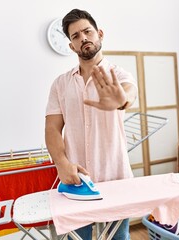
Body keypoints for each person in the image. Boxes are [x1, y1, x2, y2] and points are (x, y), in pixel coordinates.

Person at [45, 8, 137, 240]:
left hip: (116, 177)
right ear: (71, 47)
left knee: (118, 238)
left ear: (100, 34)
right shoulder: (60, 84)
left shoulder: (118, 75)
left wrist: (121, 100)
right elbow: (52, 128)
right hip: (76, 182)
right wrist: (61, 163)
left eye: (87, 32)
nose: (83, 38)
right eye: (75, 36)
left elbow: (128, 93)